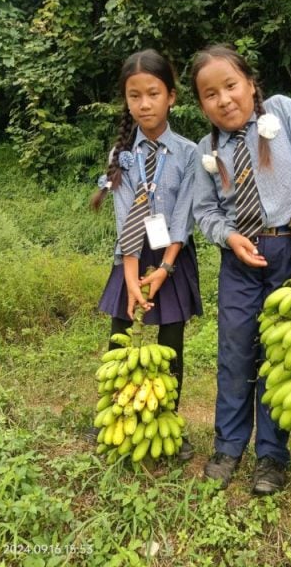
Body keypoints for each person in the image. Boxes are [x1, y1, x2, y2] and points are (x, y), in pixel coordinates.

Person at [190, 45, 291, 494]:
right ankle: (228, 445)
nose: (224, 99)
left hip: (288, 250)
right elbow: (205, 210)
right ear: (201, 105)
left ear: (251, 83)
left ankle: (271, 454)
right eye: (210, 94)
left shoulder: (285, 115)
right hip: (239, 259)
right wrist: (228, 237)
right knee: (235, 352)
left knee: (281, 354)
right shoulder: (206, 149)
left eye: (231, 86)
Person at [91, 49, 203, 461]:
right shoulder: (120, 154)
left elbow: (183, 215)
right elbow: (125, 219)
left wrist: (166, 268)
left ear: (171, 96)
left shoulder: (189, 153)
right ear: (126, 100)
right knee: (121, 337)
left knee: (170, 342)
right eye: (134, 96)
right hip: (131, 255)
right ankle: (118, 414)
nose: (144, 104)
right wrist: (134, 274)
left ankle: (166, 419)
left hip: (172, 255)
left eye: (153, 93)